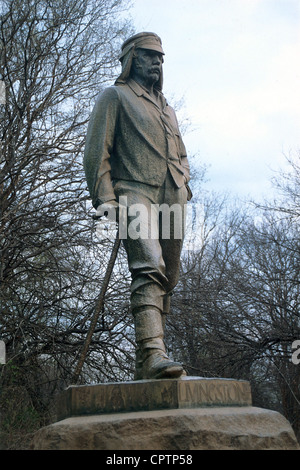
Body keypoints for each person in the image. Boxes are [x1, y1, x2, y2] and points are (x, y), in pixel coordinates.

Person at [84, 32, 192, 380]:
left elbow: (183, 154)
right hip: (133, 193)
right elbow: (95, 153)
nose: (157, 62)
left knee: (168, 276)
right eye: (148, 56)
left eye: (160, 57)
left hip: (172, 197)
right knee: (149, 265)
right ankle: (153, 352)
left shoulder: (168, 110)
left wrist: (183, 182)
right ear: (132, 59)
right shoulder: (114, 97)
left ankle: (146, 359)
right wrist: (106, 200)